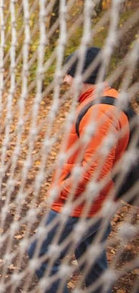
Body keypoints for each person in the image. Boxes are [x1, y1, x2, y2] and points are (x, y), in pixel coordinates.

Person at [27, 46, 130, 293]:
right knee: (90, 258)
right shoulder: (108, 98)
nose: (65, 79)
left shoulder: (100, 111)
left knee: (41, 255)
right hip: (98, 203)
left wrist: (61, 190)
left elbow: (95, 172)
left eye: (68, 74)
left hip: (79, 205)